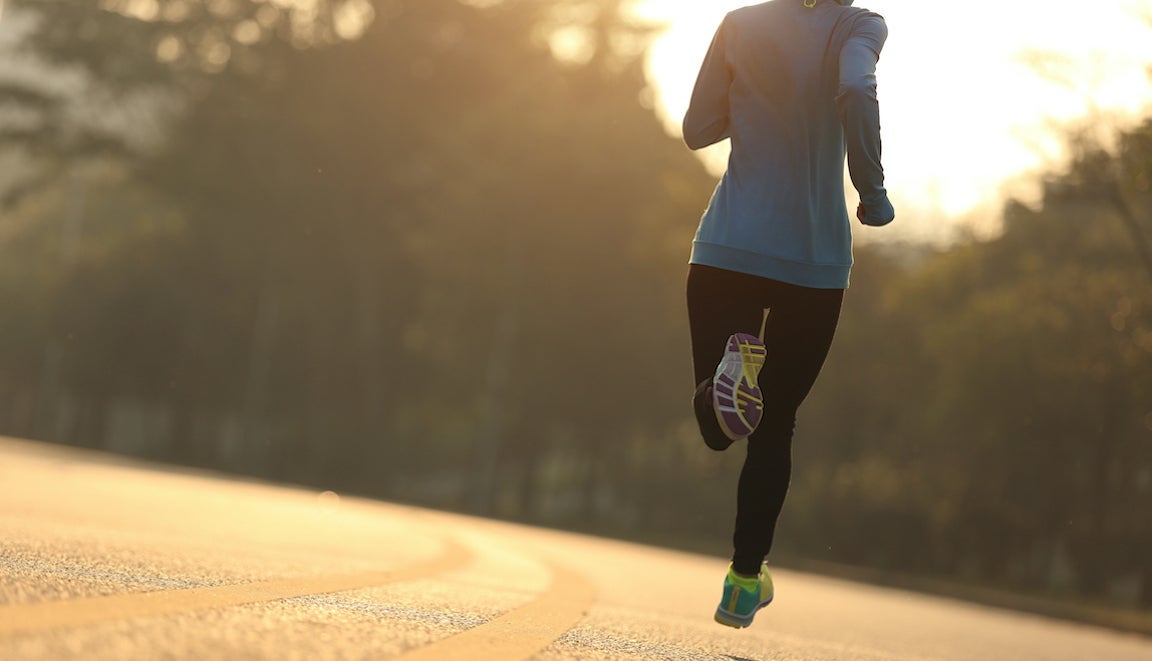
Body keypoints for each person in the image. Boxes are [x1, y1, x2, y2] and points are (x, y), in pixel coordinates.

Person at [682, 0, 893, 629]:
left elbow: (697, 127)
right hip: (813, 264)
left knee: (722, 425)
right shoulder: (859, 26)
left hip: (727, 250)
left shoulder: (740, 23)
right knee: (775, 428)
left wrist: (757, 104)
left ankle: (727, 374)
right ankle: (744, 582)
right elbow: (856, 87)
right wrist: (872, 187)